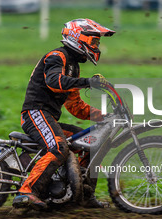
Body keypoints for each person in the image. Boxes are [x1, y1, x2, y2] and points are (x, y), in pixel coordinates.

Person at [12, 18, 115, 209]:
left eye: (97, 43)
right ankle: (26, 191)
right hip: (35, 113)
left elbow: (75, 106)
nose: (96, 46)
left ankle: (85, 195)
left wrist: (103, 115)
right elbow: (54, 81)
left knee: (90, 143)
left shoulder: (73, 67)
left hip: (48, 117)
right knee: (59, 147)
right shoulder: (56, 56)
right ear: (78, 38)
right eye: (94, 41)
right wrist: (86, 82)